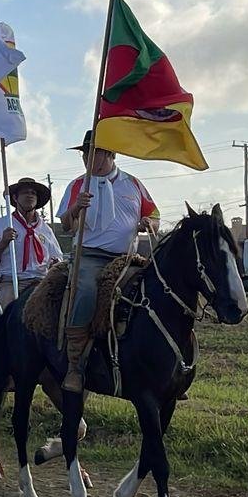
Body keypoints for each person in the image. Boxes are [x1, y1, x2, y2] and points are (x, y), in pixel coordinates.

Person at [57, 132, 160, 391]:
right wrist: (75, 209)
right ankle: (75, 366)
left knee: (157, 292)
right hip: (90, 255)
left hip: (128, 257)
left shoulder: (133, 183)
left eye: (93, 152)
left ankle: (162, 363)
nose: (87, 157)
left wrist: (150, 223)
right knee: (87, 292)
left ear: (109, 154)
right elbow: (67, 227)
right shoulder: (77, 185)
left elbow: (154, 213)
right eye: (84, 153)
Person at [0, 178, 62, 309]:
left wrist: (55, 263)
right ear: (15, 198)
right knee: (4, 309)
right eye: (25, 192)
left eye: (33, 193)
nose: (30, 195)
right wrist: (3, 242)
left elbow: (57, 257)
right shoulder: (0, 225)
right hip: (11, 281)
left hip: (41, 281)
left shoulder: (46, 230)